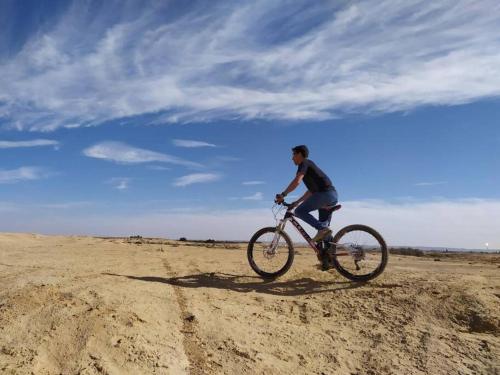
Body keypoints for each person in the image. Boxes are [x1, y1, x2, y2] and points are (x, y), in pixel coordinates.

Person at [275, 145, 338, 242]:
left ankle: (322, 229)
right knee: (324, 238)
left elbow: (297, 181)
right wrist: (296, 202)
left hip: (325, 194)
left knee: (299, 211)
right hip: (330, 196)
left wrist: (283, 194)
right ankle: (330, 254)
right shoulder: (309, 167)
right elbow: (310, 192)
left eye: (293, 155)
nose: (292, 158)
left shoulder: (304, 163)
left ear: (300, 154)